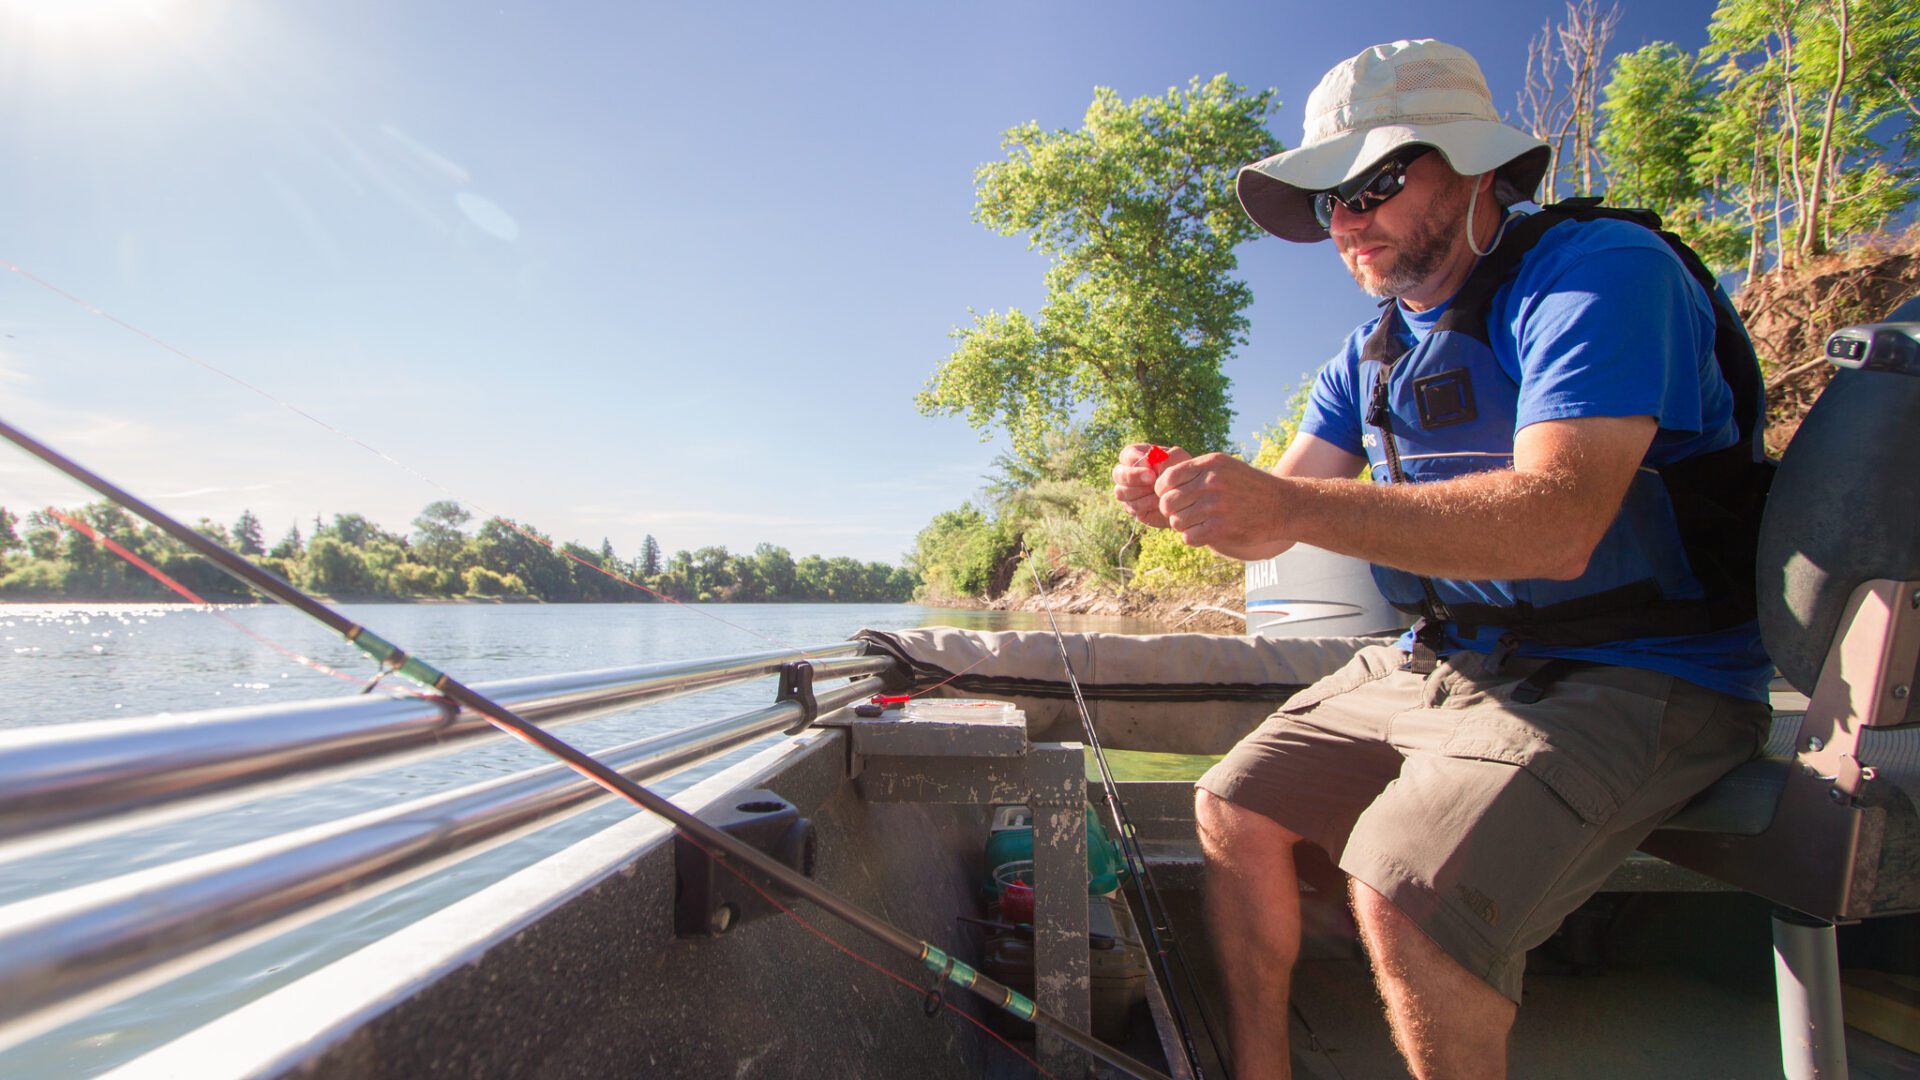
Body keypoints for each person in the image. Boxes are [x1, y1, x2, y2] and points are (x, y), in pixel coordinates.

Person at [1111, 39, 1771, 1080]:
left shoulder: (1601, 273)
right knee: (1234, 806)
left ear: (1476, 167)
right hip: (1452, 659)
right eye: (1326, 199)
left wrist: (1283, 502)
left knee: (1402, 894)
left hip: (1647, 671)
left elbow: (1557, 525)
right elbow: (1274, 526)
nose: (1345, 220)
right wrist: (1196, 503)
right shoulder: (1364, 356)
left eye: (1373, 182)